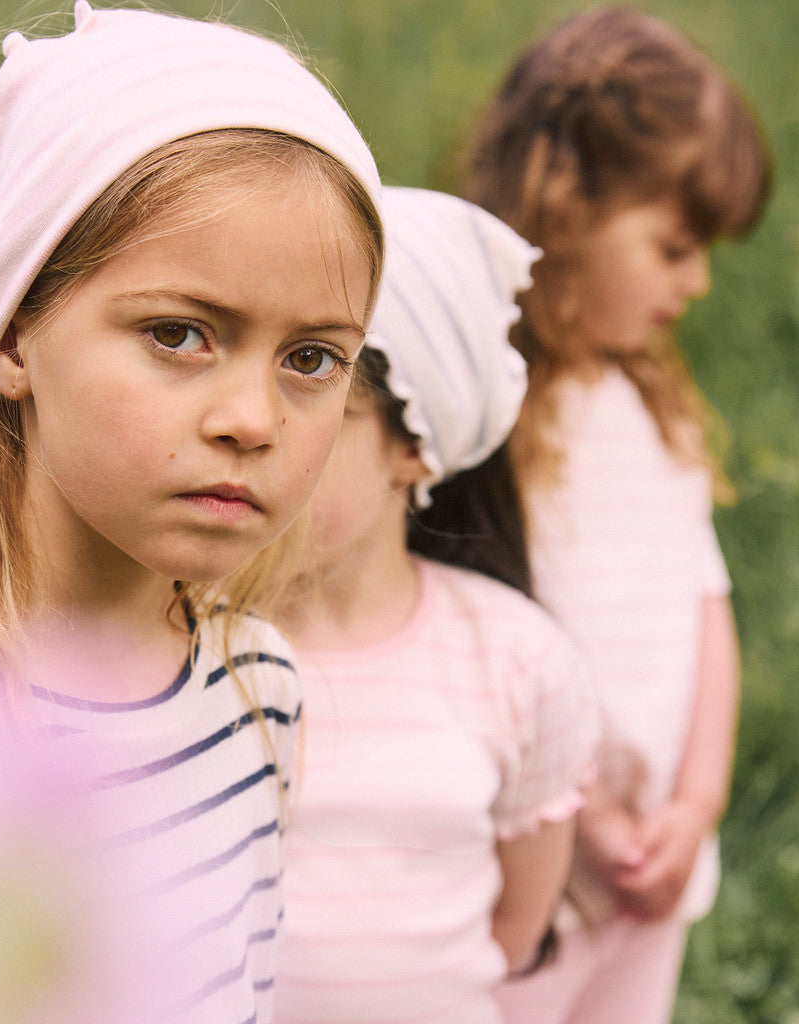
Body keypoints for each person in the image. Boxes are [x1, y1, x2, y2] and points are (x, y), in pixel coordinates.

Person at [0, 5, 385, 1022]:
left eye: (311, 359)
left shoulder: (255, 689)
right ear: (10, 332)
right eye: (180, 333)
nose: (252, 418)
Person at [457, 7, 771, 1023]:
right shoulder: (486, 412)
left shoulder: (646, 403)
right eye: (674, 247)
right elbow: (483, 621)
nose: (697, 281)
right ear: (565, 206)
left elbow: (703, 604)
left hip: (656, 858)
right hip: (534, 862)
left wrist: (697, 802)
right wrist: (582, 809)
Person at [273, 186, 598, 1024]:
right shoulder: (174, 643)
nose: (251, 433)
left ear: (413, 444)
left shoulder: (517, 659)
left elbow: (516, 927)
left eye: (316, 408)